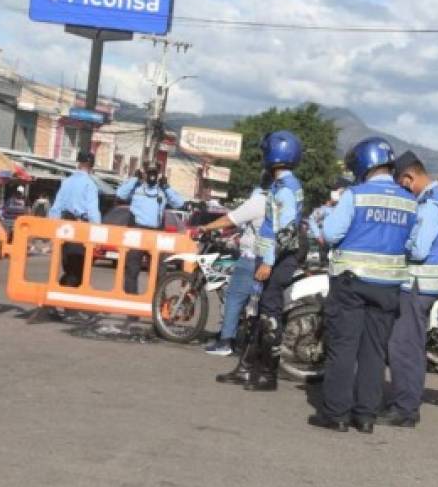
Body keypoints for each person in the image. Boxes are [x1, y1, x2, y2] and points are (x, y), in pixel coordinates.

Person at [310, 137, 417, 433]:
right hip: (388, 287)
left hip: (351, 282)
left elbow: (331, 233)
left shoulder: (355, 195)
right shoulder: (410, 201)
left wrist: (328, 213)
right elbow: (414, 244)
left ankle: (336, 414)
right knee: (373, 352)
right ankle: (366, 415)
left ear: (362, 164)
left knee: (343, 348)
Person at [217, 131, 304, 391]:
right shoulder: (280, 186)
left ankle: (268, 374)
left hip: (277, 261)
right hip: (269, 258)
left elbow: (285, 232)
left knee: (270, 317)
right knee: (256, 316)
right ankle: (245, 368)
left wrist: (267, 261)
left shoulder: (286, 190)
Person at [380, 151, 438, 427]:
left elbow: (419, 249)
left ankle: (405, 409)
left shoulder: (428, 207)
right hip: (430, 285)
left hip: (417, 285)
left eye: (403, 183)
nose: (403, 189)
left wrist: (399, 245)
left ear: (410, 177)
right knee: (412, 345)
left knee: (402, 346)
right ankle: (405, 403)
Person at [200, 172, 269, 356]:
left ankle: (225, 342)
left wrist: (205, 227)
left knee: (234, 297)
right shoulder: (280, 201)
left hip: (252, 258)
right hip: (267, 258)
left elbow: (230, 218)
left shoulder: (259, 201)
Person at [115, 164, 184, 295]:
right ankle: (131, 306)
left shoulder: (162, 190)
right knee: (132, 270)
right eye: (149, 172)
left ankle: (158, 304)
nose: (152, 176)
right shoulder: (137, 188)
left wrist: (167, 187)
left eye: (155, 173)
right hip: (137, 233)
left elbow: (180, 203)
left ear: (158, 174)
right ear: (144, 173)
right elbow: (120, 194)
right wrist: (134, 179)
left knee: (159, 272)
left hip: (156, 234)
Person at [48, 151, 101, 286]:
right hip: (80, 229)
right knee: (77, 271)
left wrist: (51, 230)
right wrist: (98, 234)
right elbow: (93, 212)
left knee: (69, 267)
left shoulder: (66, 182)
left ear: (78, 163)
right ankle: (60, 300)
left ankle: (58, 299)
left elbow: (56, 208)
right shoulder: (90, 185)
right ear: (91, 167)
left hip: (64, 228)